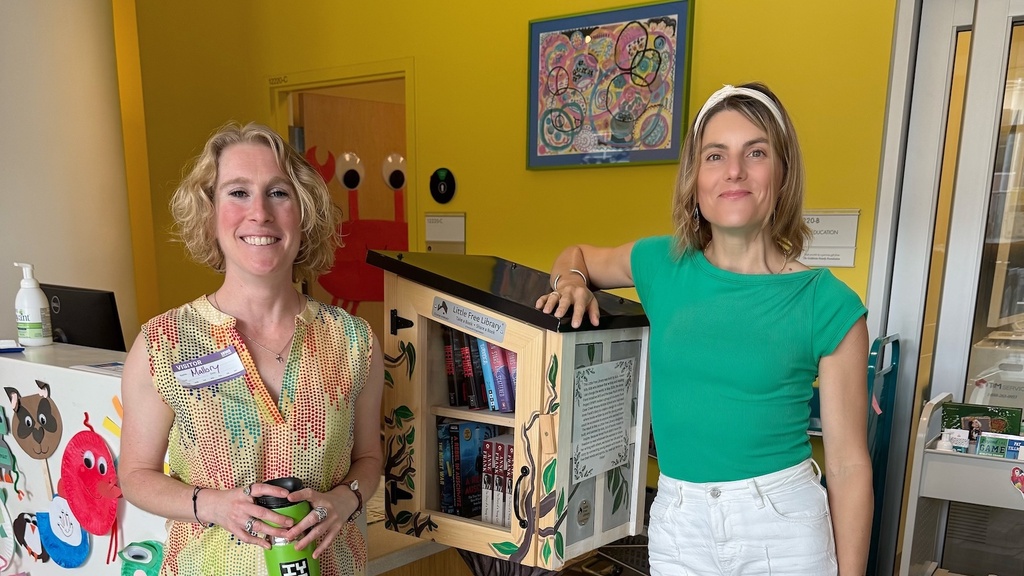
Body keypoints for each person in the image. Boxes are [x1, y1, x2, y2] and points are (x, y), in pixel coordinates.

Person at [536, 83, 872, 575]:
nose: (734, 170)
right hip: (679, 520)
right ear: (695, 179)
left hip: (781, 525)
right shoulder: (661, 263)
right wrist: (572, 282)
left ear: (782, 173)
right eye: (715, 156)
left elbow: (847, 465)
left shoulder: (828, 302)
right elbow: (577, 255)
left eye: (755, 152)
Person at [119, 122, 384, 576]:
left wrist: (345, 499)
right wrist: (214, 506)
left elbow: (369, 458)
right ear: (209, 213)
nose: (259, 212)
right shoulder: (163, 344)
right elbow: (136, 477)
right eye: (237, 193)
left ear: (303, 213)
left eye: (278, 192)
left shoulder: (354, 342)